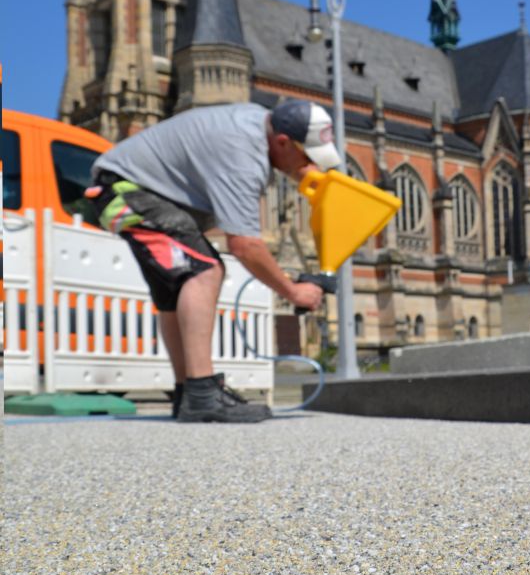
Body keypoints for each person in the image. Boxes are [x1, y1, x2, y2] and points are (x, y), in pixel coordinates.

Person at [86, 100, 340, 423]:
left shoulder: (256, 121)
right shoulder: (245, 157)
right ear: (283, 142)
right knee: (205, 269)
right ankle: (202, 393)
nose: (311, 167)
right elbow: (245, 245)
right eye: (308, 157)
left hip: (123, 186)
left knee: (174, 291)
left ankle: (188, 393)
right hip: (127, 191)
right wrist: (293, 292)